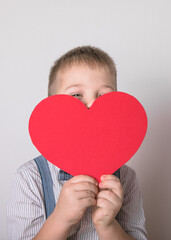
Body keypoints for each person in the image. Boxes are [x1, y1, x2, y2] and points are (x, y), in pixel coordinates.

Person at [7, 46, 147, 240]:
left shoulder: (127, 179)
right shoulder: (29, 179)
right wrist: (61, 218)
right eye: (76, 95)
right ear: (53, 108)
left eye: (104, 96)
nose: (92, 105)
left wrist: (108, 225)